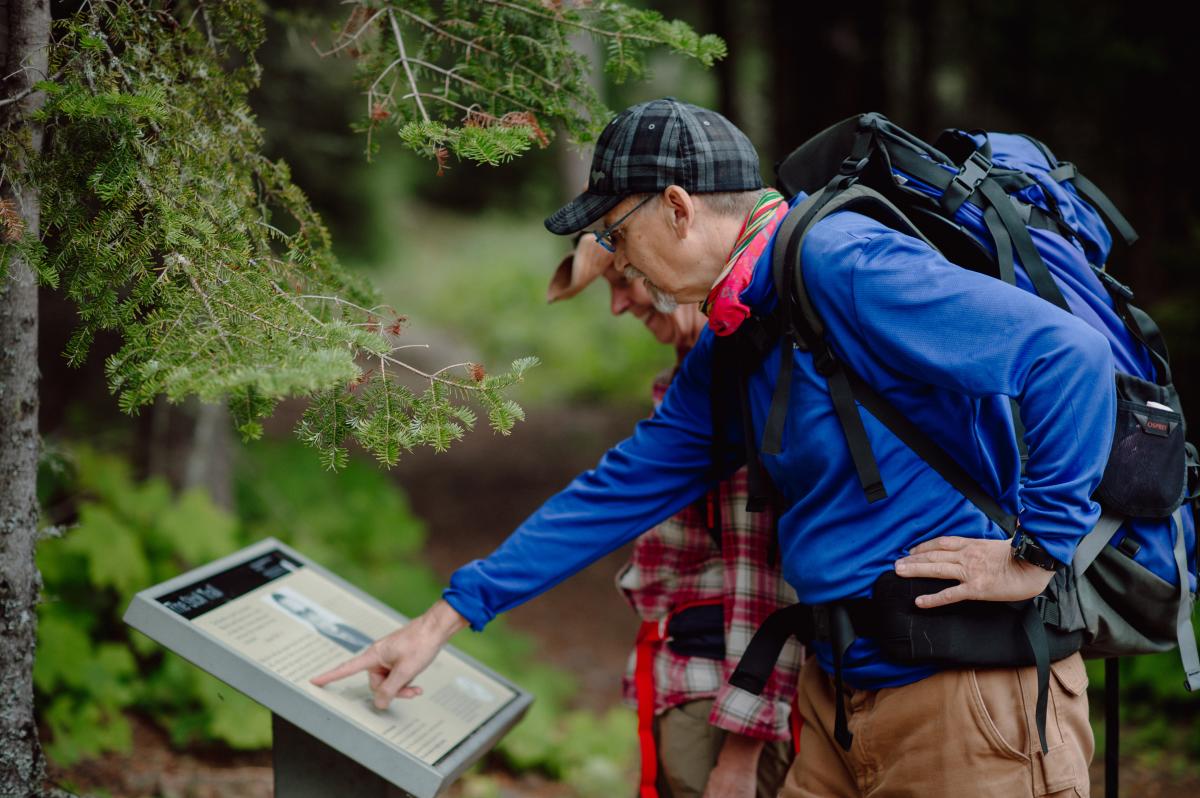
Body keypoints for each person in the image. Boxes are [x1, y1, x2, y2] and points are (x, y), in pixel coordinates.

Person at [315, 98, 1119, 797]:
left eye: (614, 233)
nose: (615, 260)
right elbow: (620, 488)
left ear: (676, 207)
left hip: (963, 702)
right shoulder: (742, 329)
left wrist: (1038, 552)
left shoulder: (841, 264)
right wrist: (445, 618)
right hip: (839, 695)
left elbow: (1068, 359)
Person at [547, 235, 802, 798]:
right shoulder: (697, 377)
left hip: (721, 701)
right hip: (689, 681)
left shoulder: (738, 385)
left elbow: (770, 577)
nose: (618, 305)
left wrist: (742, 752)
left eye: (623, 279)